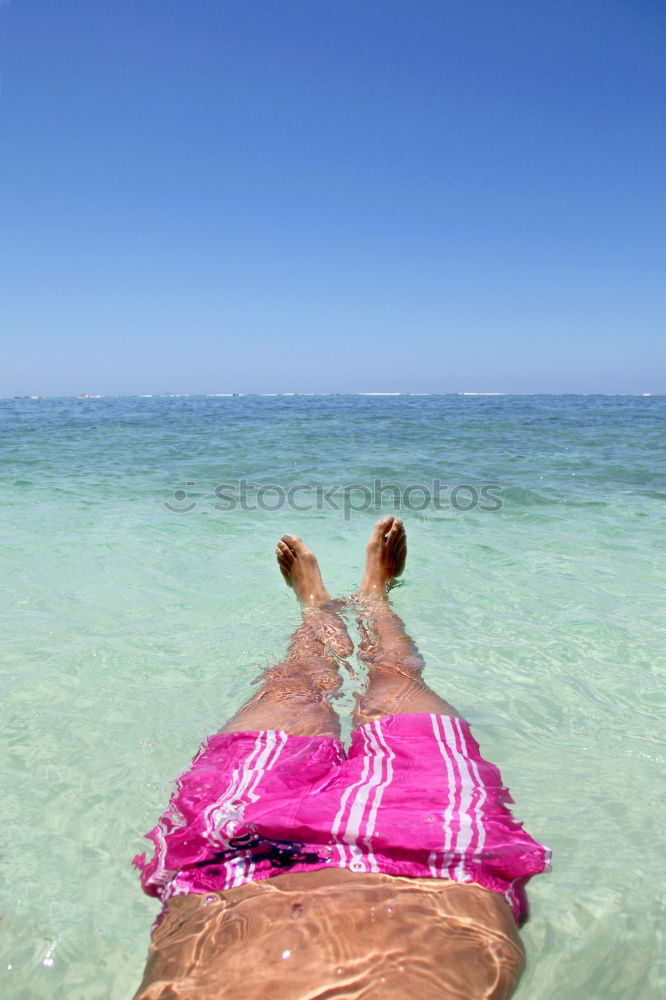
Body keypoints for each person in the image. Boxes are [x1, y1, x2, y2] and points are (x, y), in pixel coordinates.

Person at [133, 517, 550, 999]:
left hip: (228, 861)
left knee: (292, 685)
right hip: (439, 854)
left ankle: (324, 610)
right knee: (395, 680)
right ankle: (371, 602)